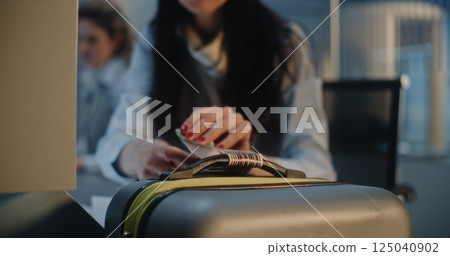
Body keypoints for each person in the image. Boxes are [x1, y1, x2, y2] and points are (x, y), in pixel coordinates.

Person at [97, 0, 336, 184]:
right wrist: (138, 155)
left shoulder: (285, 42)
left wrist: (245, 163)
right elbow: (114, 143)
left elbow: (319, 169)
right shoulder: (154, 40)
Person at [76, 1, 132, 172]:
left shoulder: (125, 83)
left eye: (92, 40)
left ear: (117, 40)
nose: (83, 48)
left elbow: (127, 148)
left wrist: (83, 163)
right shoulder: (89, 77)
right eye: (79, 39)